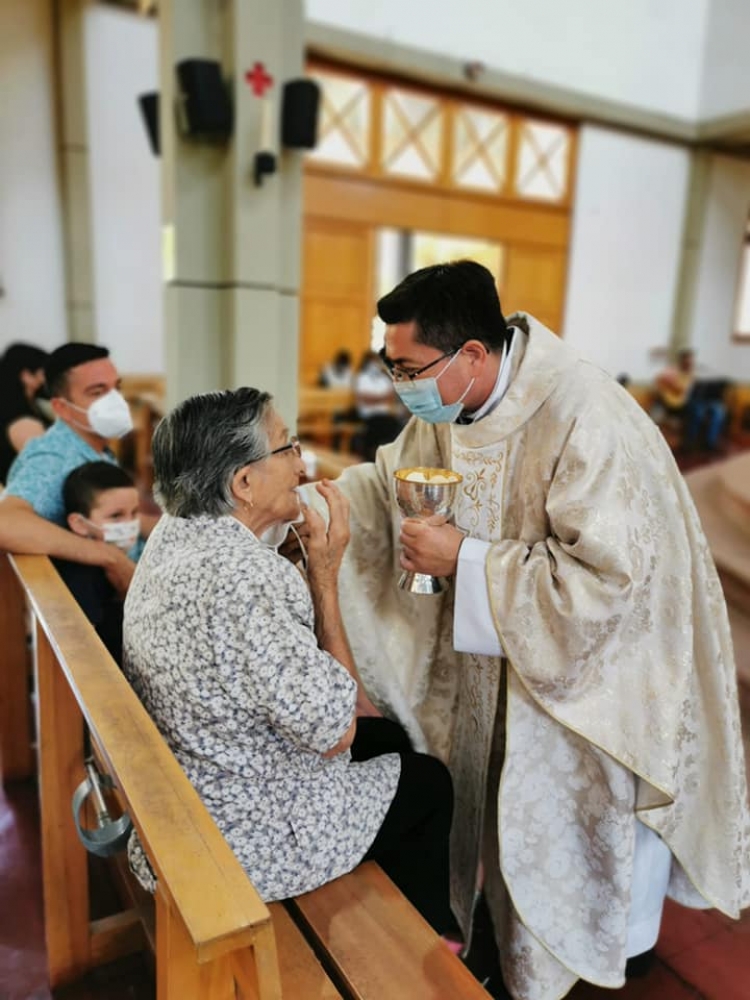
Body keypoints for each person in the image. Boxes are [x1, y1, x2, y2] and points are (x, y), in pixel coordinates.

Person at [302, 261, 750, 1000]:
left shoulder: (586, 416)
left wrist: (468, 562)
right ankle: (510, 949)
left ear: (473, 355)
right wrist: (322, 502)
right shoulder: (455, 402)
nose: (401, 385)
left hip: (599, 676)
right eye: (394, 366)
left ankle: (613, 952)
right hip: (503, 663)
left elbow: (612, 586)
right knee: (508, 818)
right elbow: (393, 482)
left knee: (589, 827)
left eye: (410, 368)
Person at [122, 388, 461, 944]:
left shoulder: (173, 531)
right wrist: (325, 574)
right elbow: (336, 733)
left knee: (390, 740)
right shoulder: (248, 577)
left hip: (188, 793)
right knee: (427, 783)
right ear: (243, 484)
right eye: (287, 448)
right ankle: (429, 961)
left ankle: (400, 935)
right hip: (245, 837)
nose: (301, 465)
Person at [0, 342, 155, 596]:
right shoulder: (55, 457)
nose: (114, 401)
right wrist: (107, 557)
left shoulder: (91, 445)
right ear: (62, 407)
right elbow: (5, 522)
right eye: (97, 392)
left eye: (116, 388)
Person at [56, 461, 142, 663]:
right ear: (79, 524)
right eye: (116, 516)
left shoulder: (126, 559)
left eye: (134, 512)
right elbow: (83, 659)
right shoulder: (80, 578)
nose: (128, 524)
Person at [655, 348, 727, 451]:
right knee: (698, 411)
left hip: (701, 399)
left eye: (691, 361)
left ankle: (710, 443)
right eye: (686, 361)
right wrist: (674, 387)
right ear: (681, 361)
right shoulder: (673, 370)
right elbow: (659, 380)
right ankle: (689, 443)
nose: (689, 364)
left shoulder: (695, 373)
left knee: (719, 410)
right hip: (683, 402)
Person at [0, 342, 51, 482]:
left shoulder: (33, 405)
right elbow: (48, 465)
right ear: (26, 376)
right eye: (43, 373)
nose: (47, 379)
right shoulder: (20, 418)